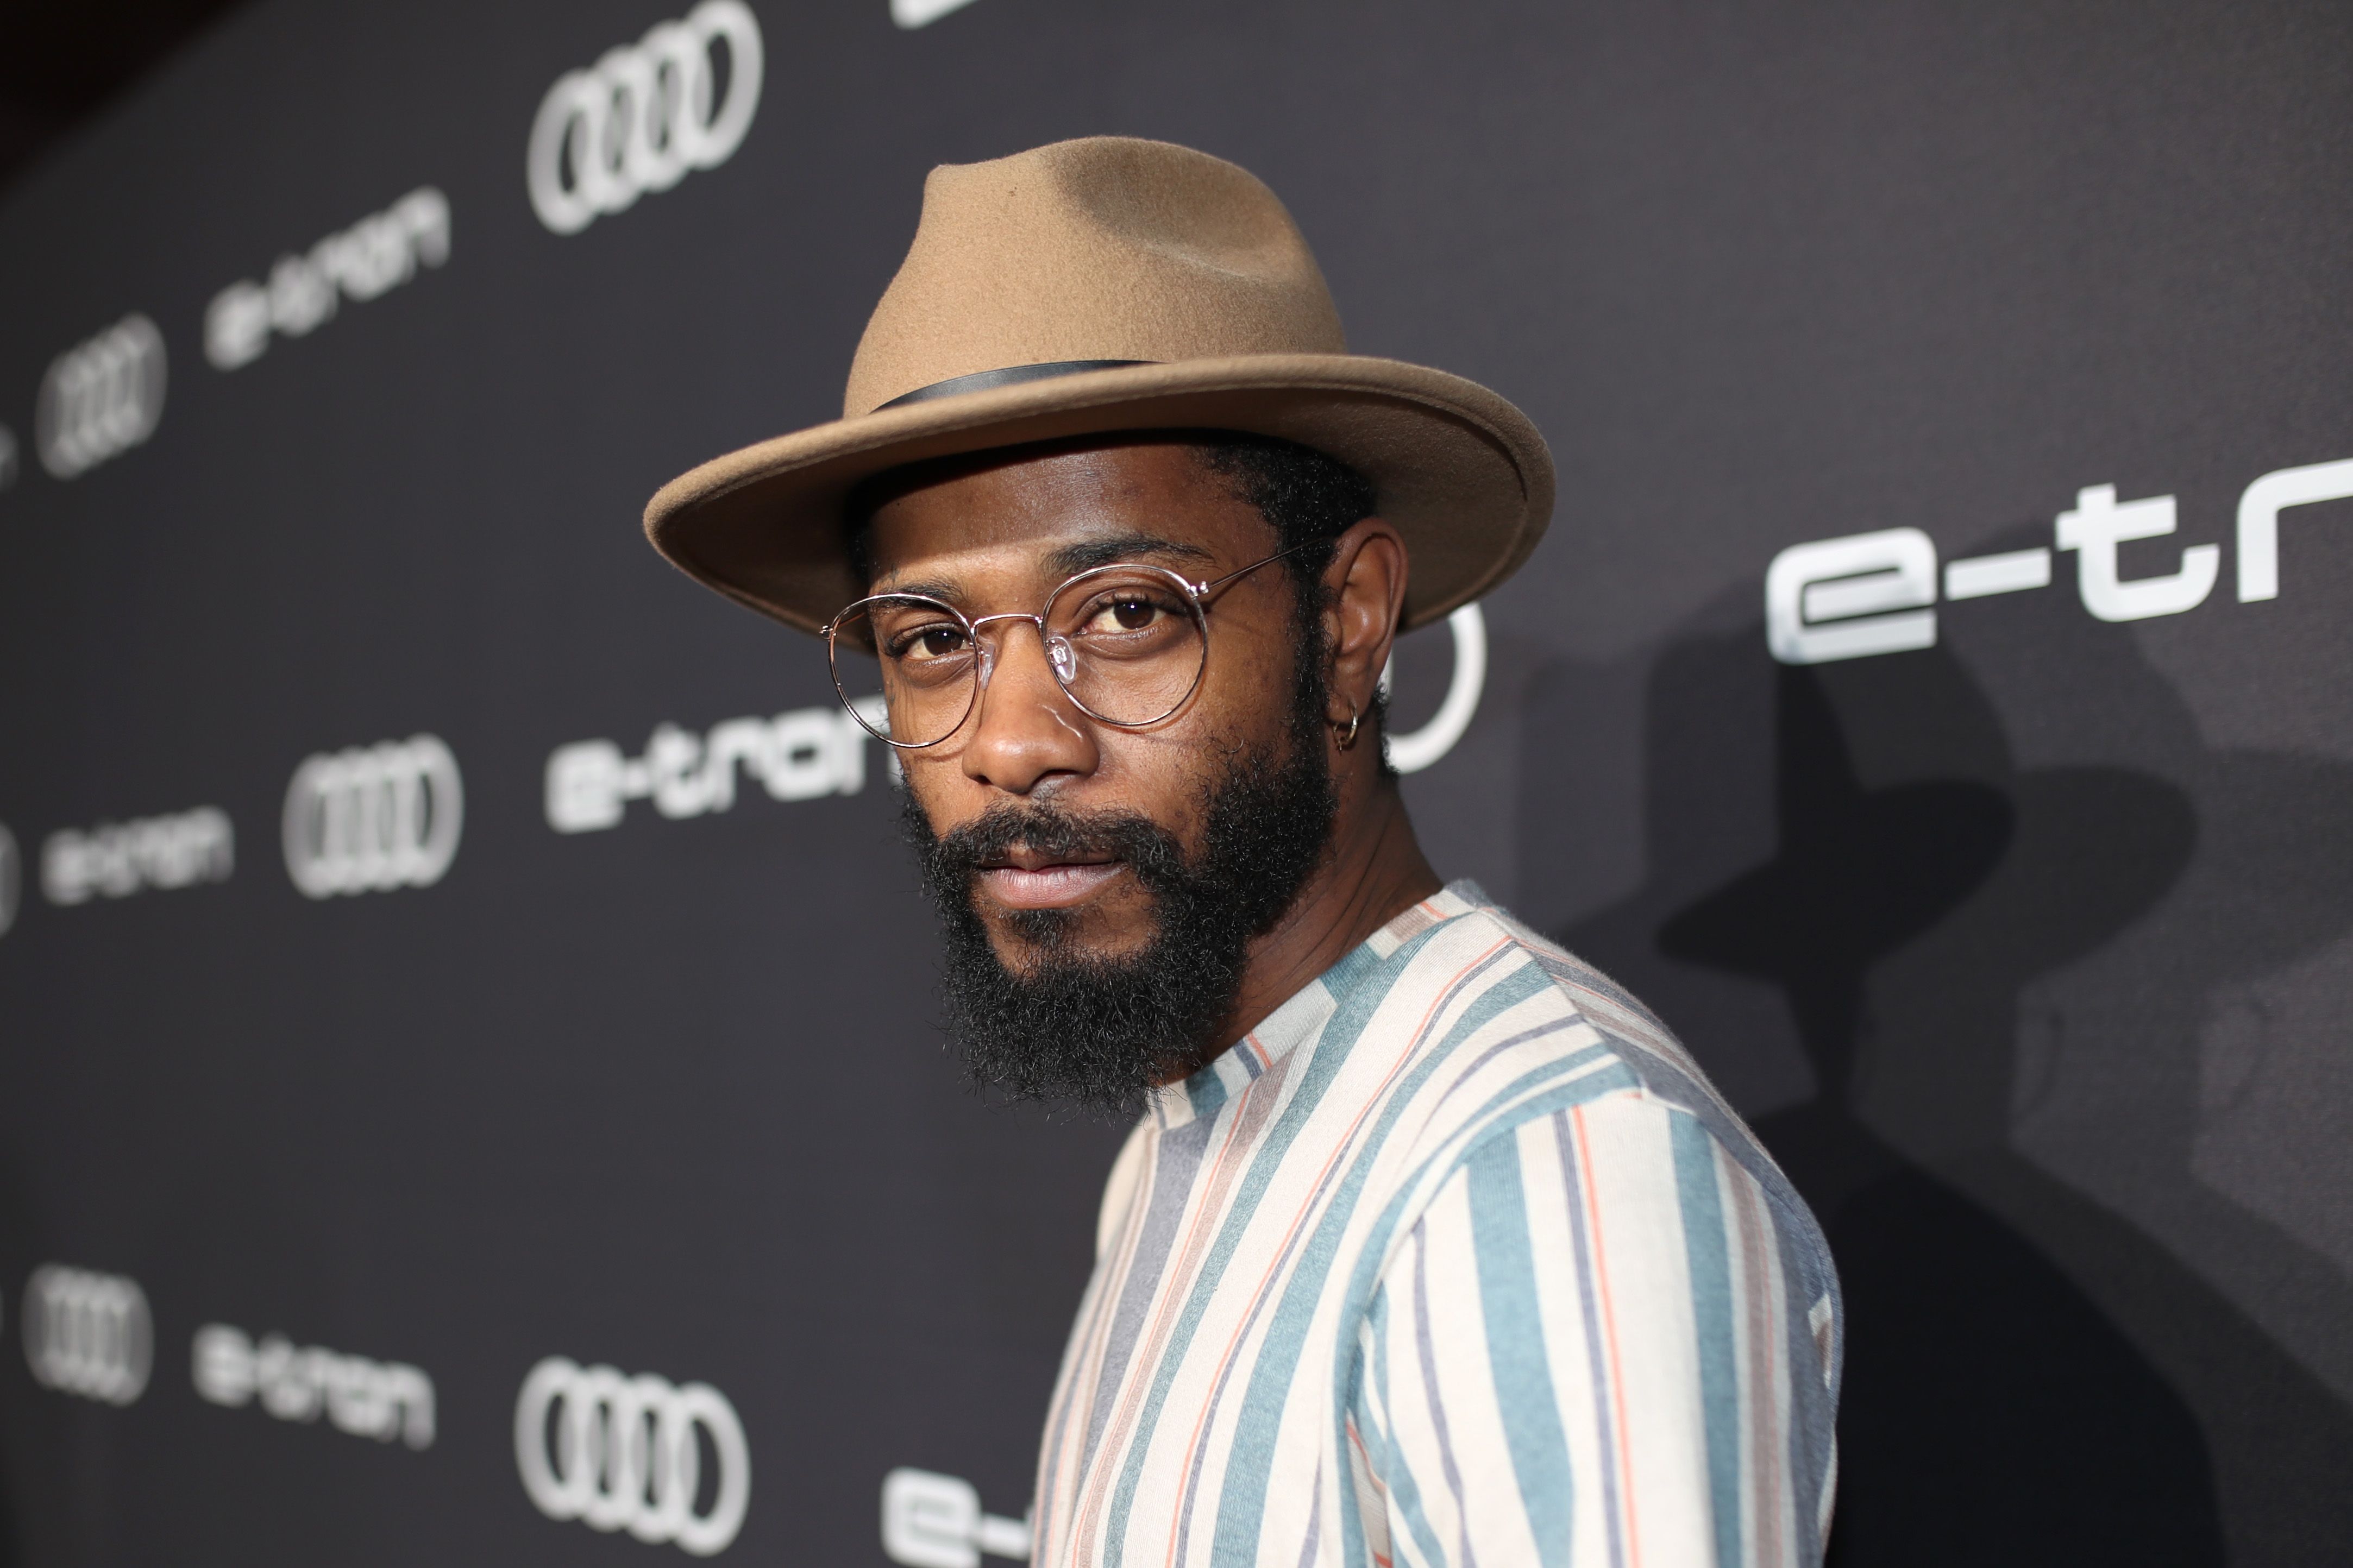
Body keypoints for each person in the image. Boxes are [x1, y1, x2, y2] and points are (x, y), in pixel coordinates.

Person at [645, 136, 1840, 1568]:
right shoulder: (1202, 1117)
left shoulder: (1537, 1172)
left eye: (1127, 612)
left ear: (1345, 623)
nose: (1011, 739)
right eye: (927, 641)